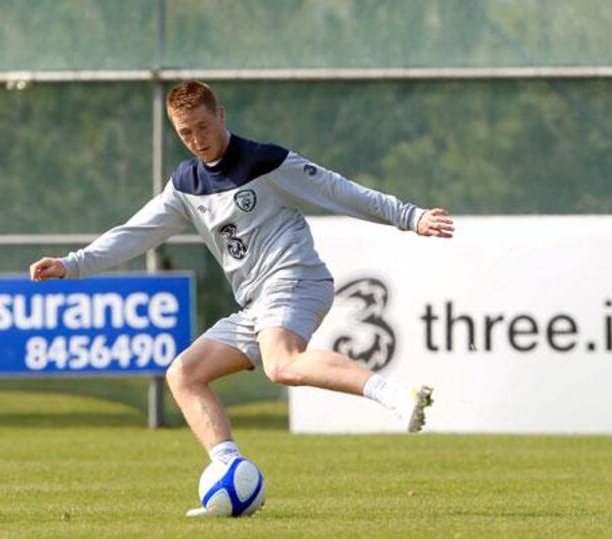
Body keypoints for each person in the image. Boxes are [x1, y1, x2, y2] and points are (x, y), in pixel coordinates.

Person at [30, 81, 455, 515]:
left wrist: (409, 216)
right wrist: (73, 264)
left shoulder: (264, 162)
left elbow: (337, 190)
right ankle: (232, 475)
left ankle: (396, 395)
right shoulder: (186, 184)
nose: (197, 140)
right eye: (185, 133)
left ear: (221, 115)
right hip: (257, 303)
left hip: (295, 278)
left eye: (202, 126)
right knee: (185, 373)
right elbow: (135, 234)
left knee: (281, 363)